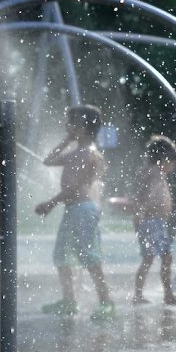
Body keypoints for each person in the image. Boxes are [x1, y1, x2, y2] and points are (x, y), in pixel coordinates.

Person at [35, 104, 116, 322]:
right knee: (61, 255)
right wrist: (67, 140)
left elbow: (76, 188)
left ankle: (106, 302)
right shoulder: (76, 152)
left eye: (71, 123)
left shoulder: (89, 155)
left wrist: (51, 203)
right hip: (74, 210)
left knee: (89, 256)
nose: (66, 126)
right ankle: (69, 301)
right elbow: (48, 160)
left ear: (83, 127)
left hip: (83, 210)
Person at [132, 135, 176, 306]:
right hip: (152, 222)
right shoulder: (155, 173)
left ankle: (143, 294)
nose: (173, 166)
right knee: (162, 257)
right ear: (164, 159)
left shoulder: (153, 172)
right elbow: (148, 195)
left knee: (152, 258)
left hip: (154, 222)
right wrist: (140, 212)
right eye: (173, 162)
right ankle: (165, 295)